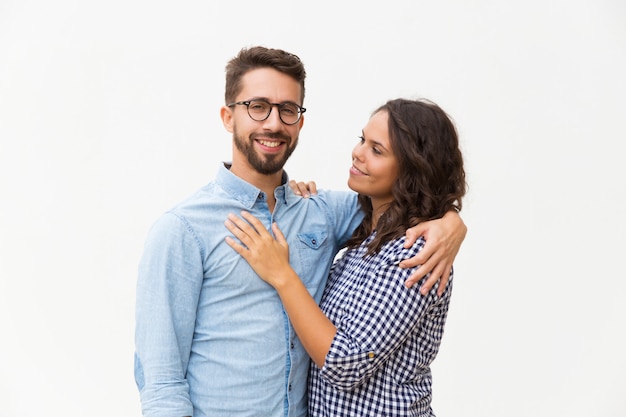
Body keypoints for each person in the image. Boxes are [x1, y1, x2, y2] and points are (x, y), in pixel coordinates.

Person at [134, 46, 467, 417]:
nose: (273, 123)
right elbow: (161, 381)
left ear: (300, 121)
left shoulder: (322, 213)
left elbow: (407, 202)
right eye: (257, 106)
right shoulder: (182, 230)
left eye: (287, 110)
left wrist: (451, 223)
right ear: (228, 117)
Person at [225, 97, 466, 416]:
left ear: (413, 171)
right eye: (362, 140)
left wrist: (281, 275)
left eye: (377, 150)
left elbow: (345, 363)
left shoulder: (417, 251)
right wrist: (297, 201)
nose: (358, 152)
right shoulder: (365, 239)